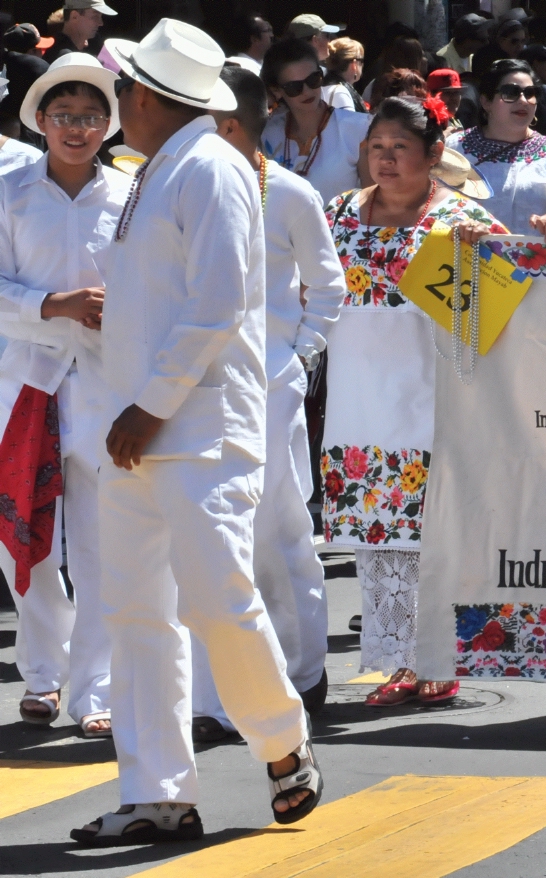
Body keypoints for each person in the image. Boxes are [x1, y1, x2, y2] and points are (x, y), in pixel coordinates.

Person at [74, 18, 321, 846]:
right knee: (136, 612)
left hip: (199, 429)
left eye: (119, 89)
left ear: (142, 96)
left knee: (218, 600)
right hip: (138, 430)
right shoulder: (160, 168)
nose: (113, 102)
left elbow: (217, 305)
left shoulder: (209, 167)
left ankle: (283, 743)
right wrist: (133, 408)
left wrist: (149, 404)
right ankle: (157, 792)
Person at [321, 96, 506, 707]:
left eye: (401, 148)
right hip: (358, 399)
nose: (387, 158)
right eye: (378, 147)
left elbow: (501, 315)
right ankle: (397, 661)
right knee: (379, 538)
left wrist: (488, 256)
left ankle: (440, 656)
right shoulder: (338, 214)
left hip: (435, 398)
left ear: (434, 156)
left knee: (434, 534)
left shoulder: (461, 220)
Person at [188, 65, 344, 742]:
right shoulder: (174, 188)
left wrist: (297, 357)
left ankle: (304, 674)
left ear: (229, 125)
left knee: (277, 536)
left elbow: (328, 286)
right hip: (191, 386)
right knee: (204, 542)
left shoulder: (290, 194)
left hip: (270, 386)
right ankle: (213, 698)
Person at [0, 53, 125, 739]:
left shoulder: (132, 196)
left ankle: (95, 689)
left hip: (106, 391)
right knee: (27, 542)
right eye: (63, 115)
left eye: (90, 116)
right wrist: (54, 305)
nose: (77, 129)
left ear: (109, 123)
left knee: (106, 545)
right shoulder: (9, 191)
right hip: (25, 386)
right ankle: (41, 675)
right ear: (41, 120)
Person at [448, 59, 546, 237]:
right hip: (468, 260)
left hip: (537, 262)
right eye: (511, 92)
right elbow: (429, 210)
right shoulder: (454, 149)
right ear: (486, 101)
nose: (523, 100)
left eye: (531, 93)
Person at [260, 39, 370, 206]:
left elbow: (375, 199)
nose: (307, 91)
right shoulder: (268, 134)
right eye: (294, 87)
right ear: (277, 90)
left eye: (313, 80)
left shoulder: (358, 128)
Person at [45, 0, 114, 64]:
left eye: (100, 17)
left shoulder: (93, 45)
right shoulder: (60, 56)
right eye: (95, 16)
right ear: (74, 16)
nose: (101, 23)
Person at [323, 37, 365, 112]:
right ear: (354, 65)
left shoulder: (321, 86)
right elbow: (350, 123)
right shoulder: (341, 92)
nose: (362, 65)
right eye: (361, 61)